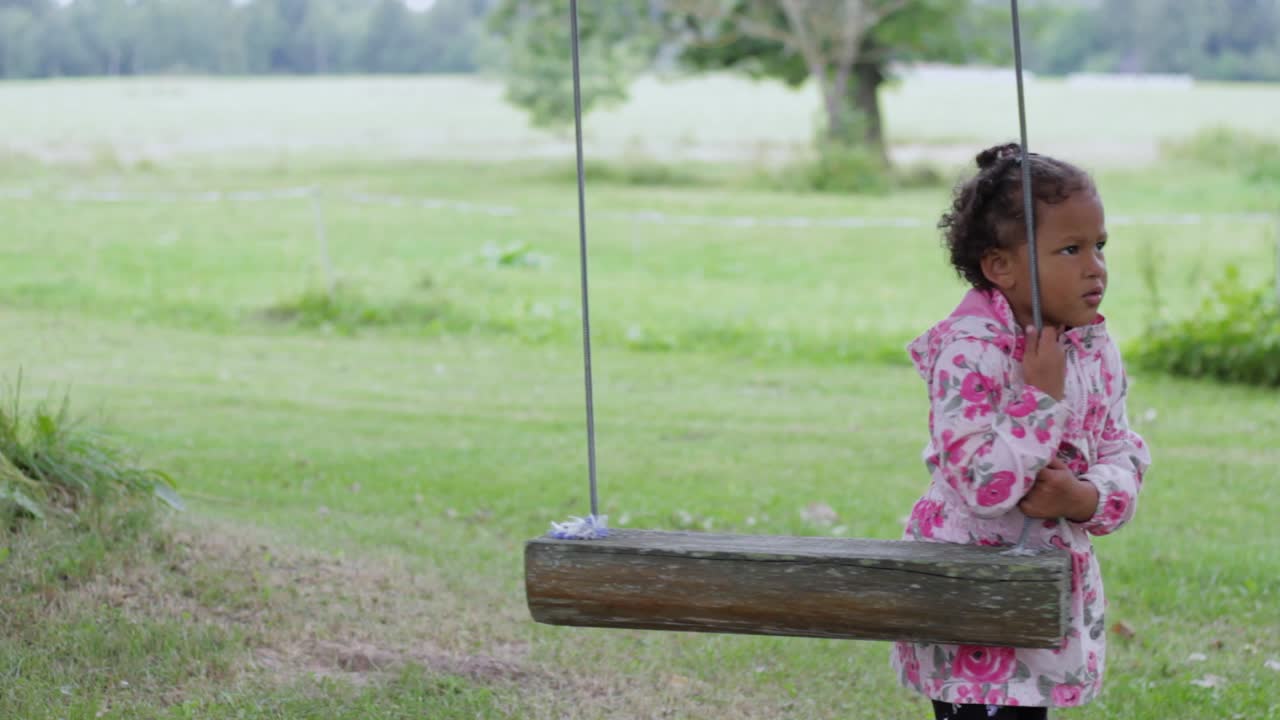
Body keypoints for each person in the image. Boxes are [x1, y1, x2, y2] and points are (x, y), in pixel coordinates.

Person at [890, 143, 1153, 719]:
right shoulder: (968, 352)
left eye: (1100, 246)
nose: (1095, 266)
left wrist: (1086, 497)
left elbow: (1122, 450)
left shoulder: (1090, 343)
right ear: (1000, 266)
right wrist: (1039, 397)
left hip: (1044, 586)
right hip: (969, 589)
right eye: (1070, 248)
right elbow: (982, 487)